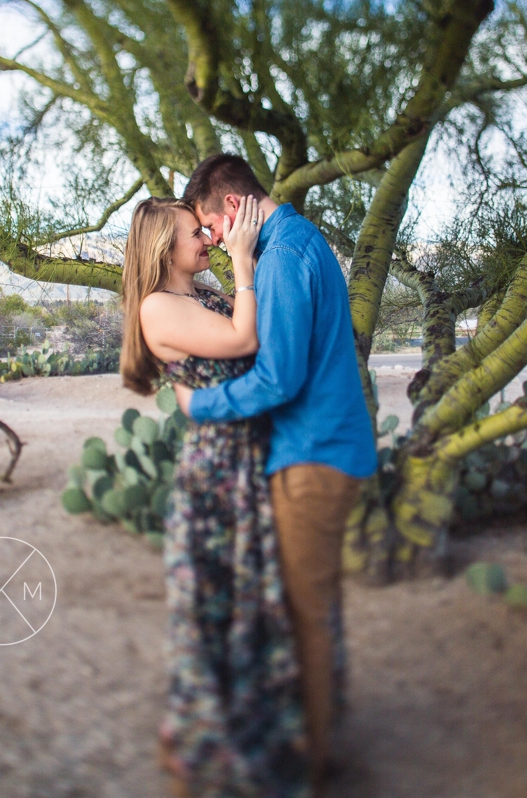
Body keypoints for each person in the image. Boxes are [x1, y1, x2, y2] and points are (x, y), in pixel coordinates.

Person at [174, 154, 378, 796]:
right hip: (324, 449)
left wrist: (199, 405)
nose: (206, 241)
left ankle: (309, 770)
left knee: (303, 619)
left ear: (230, 210)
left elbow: (278, 378)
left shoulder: (285, 257)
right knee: (315, 611)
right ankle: (318, 749)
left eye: (207, 228)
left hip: (313, 457)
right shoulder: (298, 239)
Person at [120, 195, 312, 797]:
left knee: (246, 600)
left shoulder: (195, 295)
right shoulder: (159, 306)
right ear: (161, 248)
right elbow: (244, 338)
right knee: (214, 607)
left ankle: (254, 731)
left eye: (204, 231)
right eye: (192, 234)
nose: (204, 238)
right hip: (216, 476)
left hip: (242, 462)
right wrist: (244, 260)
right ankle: (208, 748)